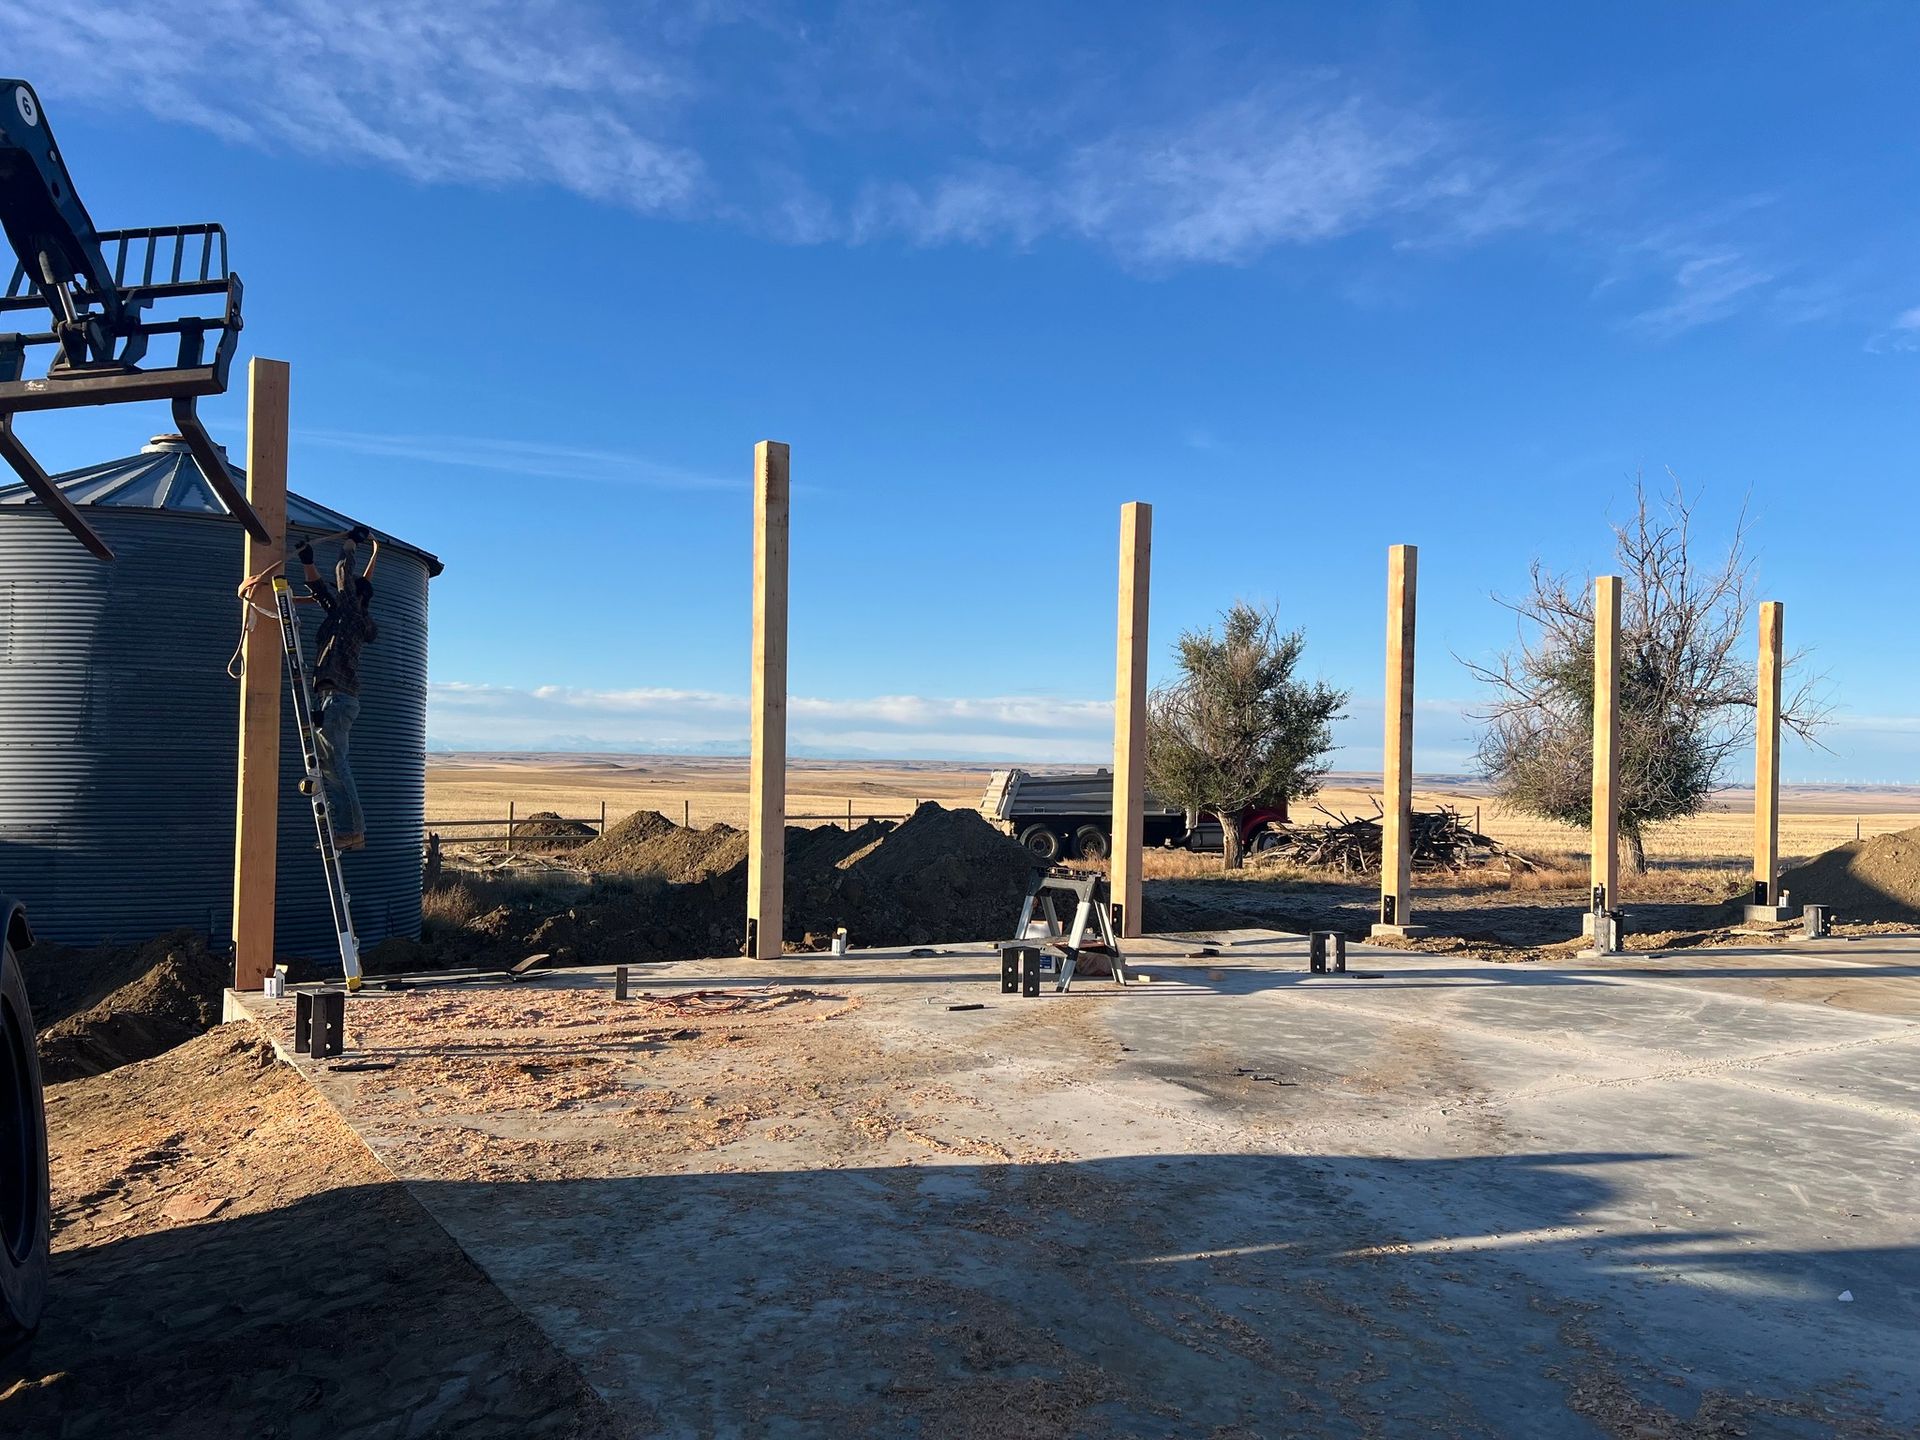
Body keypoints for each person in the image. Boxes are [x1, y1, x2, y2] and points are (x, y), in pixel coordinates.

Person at [298, 526, 380, 851]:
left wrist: (351, 544)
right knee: (330, 767)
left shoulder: (352, 615)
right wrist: (307, 561)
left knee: (336, 766)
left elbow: (344, 574)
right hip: (331, 699)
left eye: (348, 591)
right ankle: (346, 828)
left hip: (337, 699)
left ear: (357, 596)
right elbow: (321, 593)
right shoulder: (342, 617)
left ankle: (352, 831)